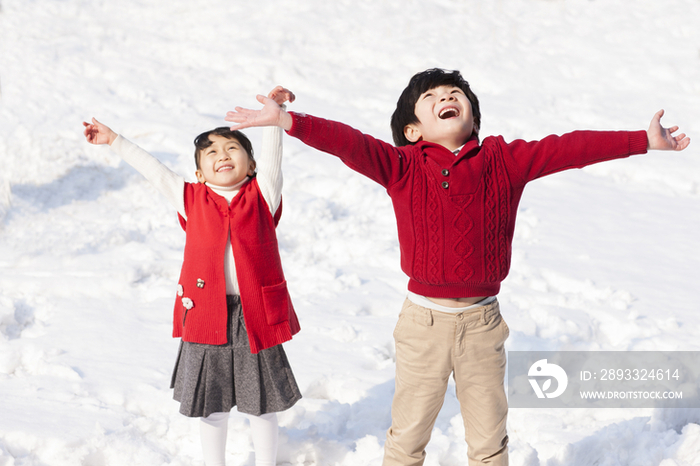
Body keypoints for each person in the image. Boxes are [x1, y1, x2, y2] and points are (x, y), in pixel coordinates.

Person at [224, 69, 690, 466]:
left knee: (489, 441)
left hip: (482, 324)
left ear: (472, 117)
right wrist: (288, 121)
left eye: (455, 95)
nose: (446, 98)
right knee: (407, 438)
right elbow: (350, 142)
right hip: (422, 324)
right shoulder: (400, 166)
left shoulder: (503, 161)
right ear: (412, 130)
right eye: (431, 98)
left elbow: (568, 147)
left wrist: (641, 141)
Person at [83, 86, 302, 466]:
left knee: (262, 403)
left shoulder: (263, 194)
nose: (223, 155)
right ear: (199, 173)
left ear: (250, 165)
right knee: (211, 405)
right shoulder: (190, 197)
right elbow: (153, 169)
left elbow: (273, 159)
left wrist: (275, 115)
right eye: (212, 152)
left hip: (257, 315)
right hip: (206, 315)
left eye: (232, 149)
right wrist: (115, 141)